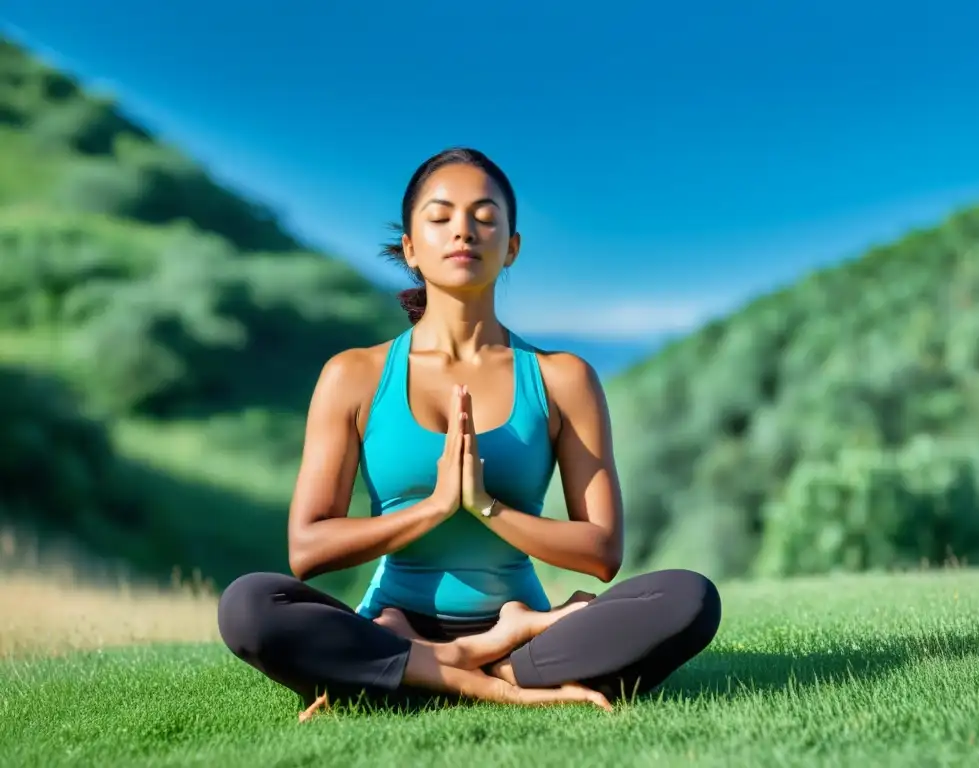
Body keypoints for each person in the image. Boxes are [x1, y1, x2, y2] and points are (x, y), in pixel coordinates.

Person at [217, 147, 722, 721]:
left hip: (520, 628)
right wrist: (434, 507)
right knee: (250, 604)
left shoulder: (562, 378)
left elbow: (602, 552)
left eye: (485, 217)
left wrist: (485, 507)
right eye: (440, 217)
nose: (463, 230)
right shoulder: (354, 375)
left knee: (688, 597)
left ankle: (417, 672)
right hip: (391, 620)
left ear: (511, 247)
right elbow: (307, 550)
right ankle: (480, 672)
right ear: (410, 246)